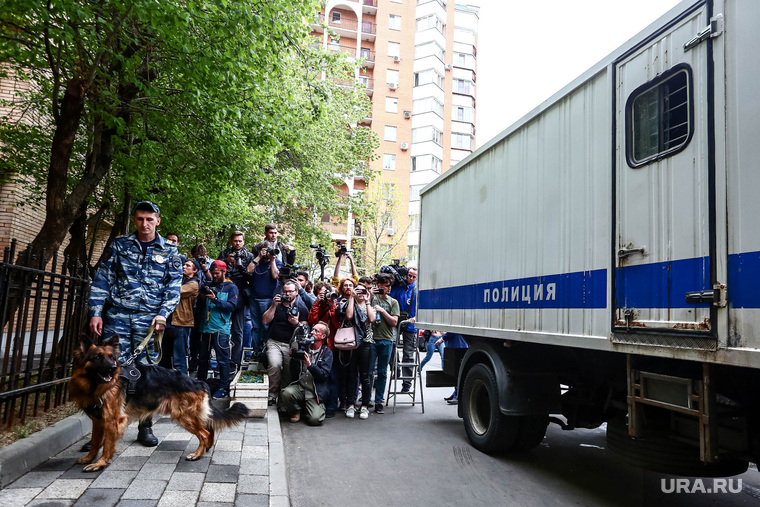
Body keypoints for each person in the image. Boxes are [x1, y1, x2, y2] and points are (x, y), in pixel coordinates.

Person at [88, 200, 182, 446]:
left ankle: (145, 426)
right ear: (135, 220)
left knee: (146, 373)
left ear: (158, 221)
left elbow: (173, 289)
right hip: (118, 316)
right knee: (109, 370)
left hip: (149, 320)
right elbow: (102, 280)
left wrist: (163, 313)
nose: (144, 224)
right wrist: (96, 312)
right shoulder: (119, 245)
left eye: (149, 219)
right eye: (140, 219)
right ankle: (103, 429)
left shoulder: (170, 251)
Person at [262, 280, 309, 406]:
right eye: (285, 291)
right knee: (274, 364)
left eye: (290, 291)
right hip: (274, 342)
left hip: (291, 344)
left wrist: (296, 324)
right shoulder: (276, 304)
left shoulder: (301, 307)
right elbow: (265, 321)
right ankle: (272, 395)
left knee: (289, 370)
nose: (287, 294)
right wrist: (273, 305)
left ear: (296, 292)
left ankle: (283, 395)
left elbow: (305, 330)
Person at [196, 260, 239, 399]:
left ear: (224, 272)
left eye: (216, 273)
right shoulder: (208, 285)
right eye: (212, 273)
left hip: (221, 329)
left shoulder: (231, 288)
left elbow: (231, 307)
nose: (214, 276)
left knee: (223, 361)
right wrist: (202, 296)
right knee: (202, 360)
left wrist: (215, 299)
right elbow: (200, 306)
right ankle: (200, 387)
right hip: (205, 328)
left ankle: (223, 387)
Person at [280, 322, 333, 425]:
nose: (312, 332)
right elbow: (294, 369)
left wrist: (310, 365)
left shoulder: (327, 353)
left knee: (315, 420)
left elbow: (324, 375)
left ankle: (312, 409)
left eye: (316, 331)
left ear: (323, 336)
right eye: (312, 329)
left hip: (315, 391)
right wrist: (294, 355)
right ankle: (296, 411)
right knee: (286, 393)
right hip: (301, 387)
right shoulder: (304, 347)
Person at [336, 282, 376, 420]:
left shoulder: (369, 306)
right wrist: (351, 298)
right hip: (352, 344)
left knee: (365, 376)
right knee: (351, 375)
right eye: (357, 291)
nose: (360, 293)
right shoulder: (348, 303)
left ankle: (364, 405)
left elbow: (372, 319)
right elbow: (348, 316)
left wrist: (368, 301)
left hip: (366, 343)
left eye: (363, 291)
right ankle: (350, 404)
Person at [218, 231, 255, 372]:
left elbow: (252, 278)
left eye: (240, 241)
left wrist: (242, 269)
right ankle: (223, 360)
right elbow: (217, 274)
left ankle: (235, 361)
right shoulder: (224, 254)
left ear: (243, 241)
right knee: (221, 329)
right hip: (224, 294)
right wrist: (226, 263)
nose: (237, 243)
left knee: (238, 331)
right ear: (231, 241)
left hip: (240, 295)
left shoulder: (249, 256)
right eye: (235, 241)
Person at [368, 273, 399, 414]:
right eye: (386, 286)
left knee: (382, 372)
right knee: (368, 372)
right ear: (379, 285)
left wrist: (382, 311)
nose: (389, 289)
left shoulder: (393, 302)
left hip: (386, 340)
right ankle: (366, 399)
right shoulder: (371, 298)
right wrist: (369, 295)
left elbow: (394, 322)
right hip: (371, 339)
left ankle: (379, 401)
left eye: (390, 286)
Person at [246, 242, 282, 353]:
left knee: (265, 326)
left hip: (268, 299)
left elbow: (276, 276)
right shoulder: (257, 261)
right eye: (266, 250)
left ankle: (266, 351)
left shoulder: (276, 262)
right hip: (254, 297)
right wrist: (259, 256)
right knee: (256, 327)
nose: (268, 252)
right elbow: (248, 270)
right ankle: (256, 350)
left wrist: (272, 260)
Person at [166, 260, 200, 375]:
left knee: (179, 358)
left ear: (195, 271)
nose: (184, 266)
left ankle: (184, 387)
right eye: (184, 265)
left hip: (181, 322)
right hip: (168, 321)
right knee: (165, 357)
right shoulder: (178, 280)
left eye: (188, 265)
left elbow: (176, 291)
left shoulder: (194, 284)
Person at [390, 268, 418, 393]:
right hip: (396, 322)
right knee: (390, 344)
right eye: (409, 275)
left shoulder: (418, 290)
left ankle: (407, 382)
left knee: (408, 353)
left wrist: (416, 318)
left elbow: (423, 308)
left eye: (413, 276)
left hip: (411, 325)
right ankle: (395, 367)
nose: (410, 278)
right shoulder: (399, 287)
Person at [435, 332, 467, 404]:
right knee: (455, 373)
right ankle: (455, 394)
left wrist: (442, 339)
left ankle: (457, 396)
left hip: (457, 346)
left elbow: (452, 331)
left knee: (457, 373)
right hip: (457, 345)